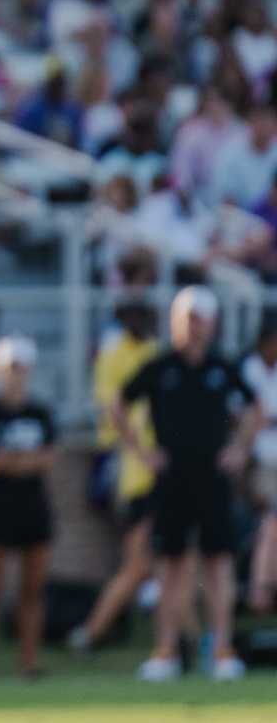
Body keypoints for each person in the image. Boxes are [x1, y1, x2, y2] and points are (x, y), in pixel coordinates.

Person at [116, 285, 264, 682]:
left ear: (212, 323)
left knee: (218, 562)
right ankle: (165, 651)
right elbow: (118, 403)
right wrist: (142, 453)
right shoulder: (161, 367)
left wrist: (239, 449)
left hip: (212, 478)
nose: (193, 326)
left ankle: (222, 650)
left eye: (199, 318)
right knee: (171, 565)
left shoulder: (223, 366)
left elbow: (255, 407)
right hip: (172, 477)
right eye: (186, 318)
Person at [70, 300, 160, 651]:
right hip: (133, 473)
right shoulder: (114, 355)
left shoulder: (154, 352)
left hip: (156, 473)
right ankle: (91, 632)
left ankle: (197, 644)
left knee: (162, 565)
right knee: (142, 564)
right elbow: (114, 411)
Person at [0, 337, 57, 679]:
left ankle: (29, 663)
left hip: (34, 508)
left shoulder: (41, 412)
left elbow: (46, 460)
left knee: (32, 592)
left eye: (20, 369)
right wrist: (20, 461)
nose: (15, 376)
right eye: (9, 369)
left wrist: (11, 461)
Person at [242, 313, 277, 613]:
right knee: (271, 522)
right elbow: (252, 417)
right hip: (259, 461)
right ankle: (260, 592)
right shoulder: (249, 369)